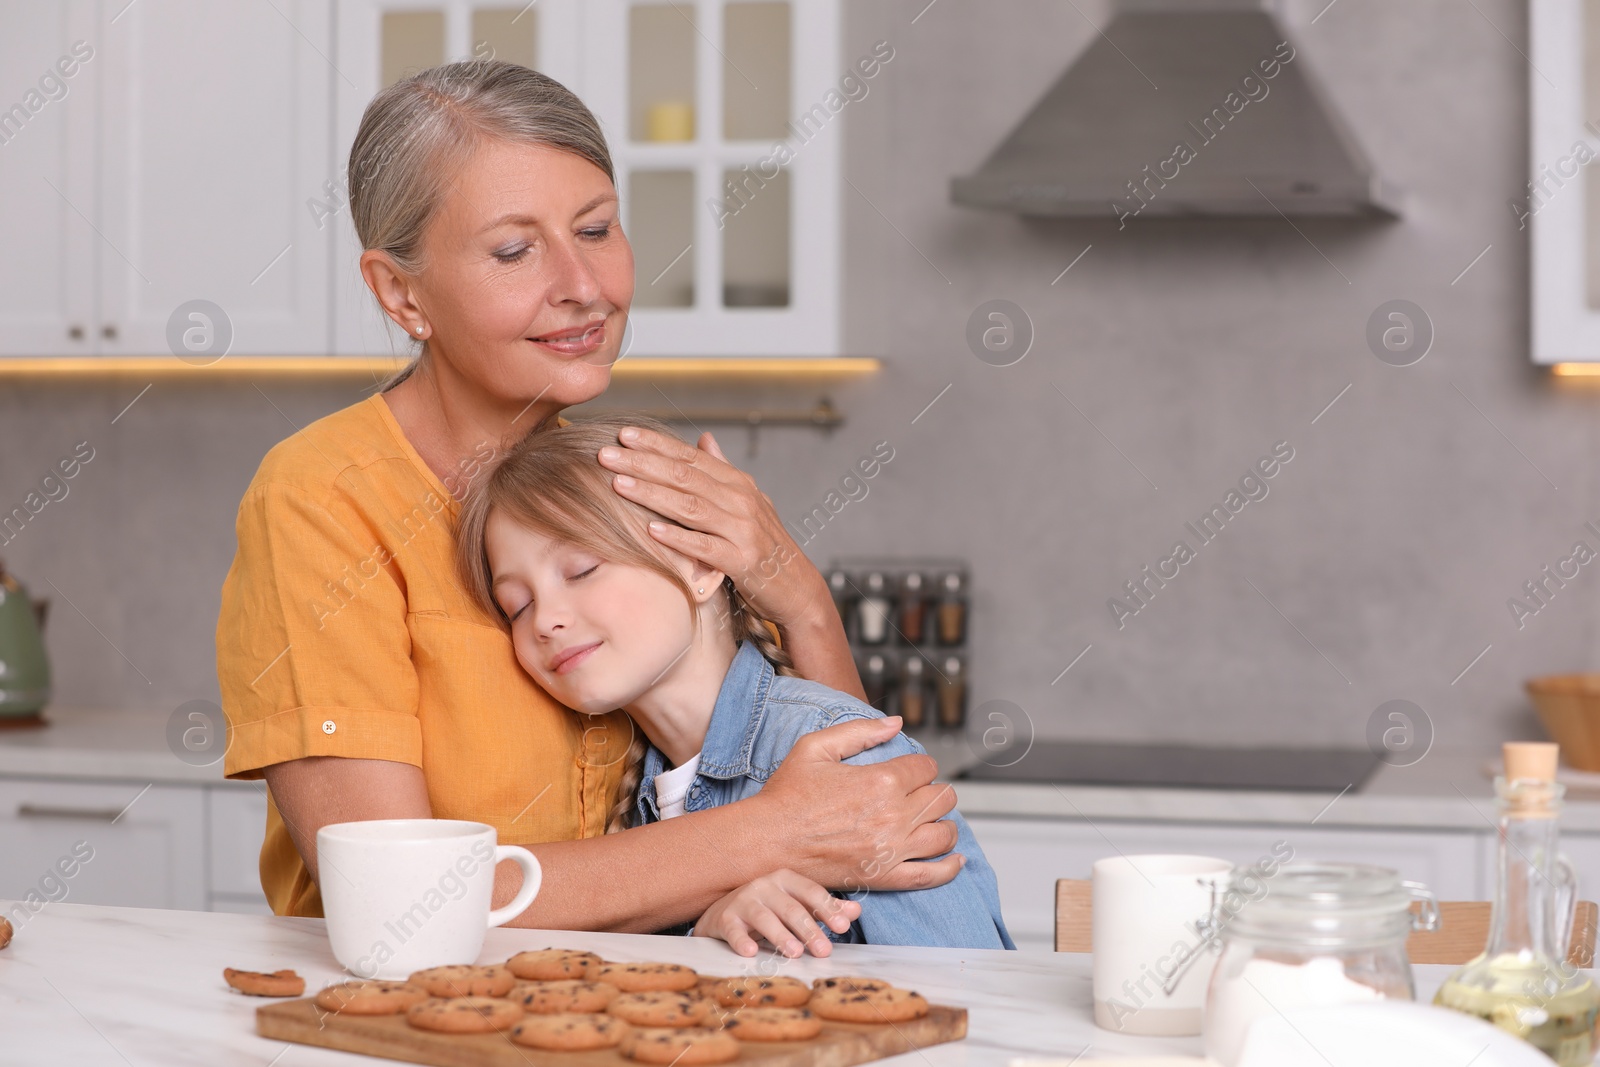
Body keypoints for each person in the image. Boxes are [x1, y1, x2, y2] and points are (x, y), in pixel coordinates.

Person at [215, 59, 961, 930]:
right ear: (399, 291)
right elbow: (400, 909)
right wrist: (769, 835)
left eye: (597, 229)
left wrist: (799, 598)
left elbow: (858, 821)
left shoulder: (618, 480)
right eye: (513, 250)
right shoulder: (321, 499)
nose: (584, 285)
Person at [454, 415, 1014, 955]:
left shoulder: (841, 753)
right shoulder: (636, 800)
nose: (545, 618)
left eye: (581, 571)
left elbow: (973, 998)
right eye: (516, 606)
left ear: (699, 565)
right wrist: (708, 939)